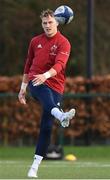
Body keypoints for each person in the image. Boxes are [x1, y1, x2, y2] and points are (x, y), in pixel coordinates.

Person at [18, 9, 75, 178]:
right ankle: (61, 115)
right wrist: (22, 88)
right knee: (43, 94)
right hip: (36, 82)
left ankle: (34, 167)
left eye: (50, 22)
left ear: (57, 22)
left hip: (55, 85)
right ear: (41, 24)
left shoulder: (64, 43)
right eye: (44, 23)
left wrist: (46, 75)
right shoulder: (35, 41)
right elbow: (28, 65)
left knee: (47, 127)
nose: (47, 25)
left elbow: (60, 65)